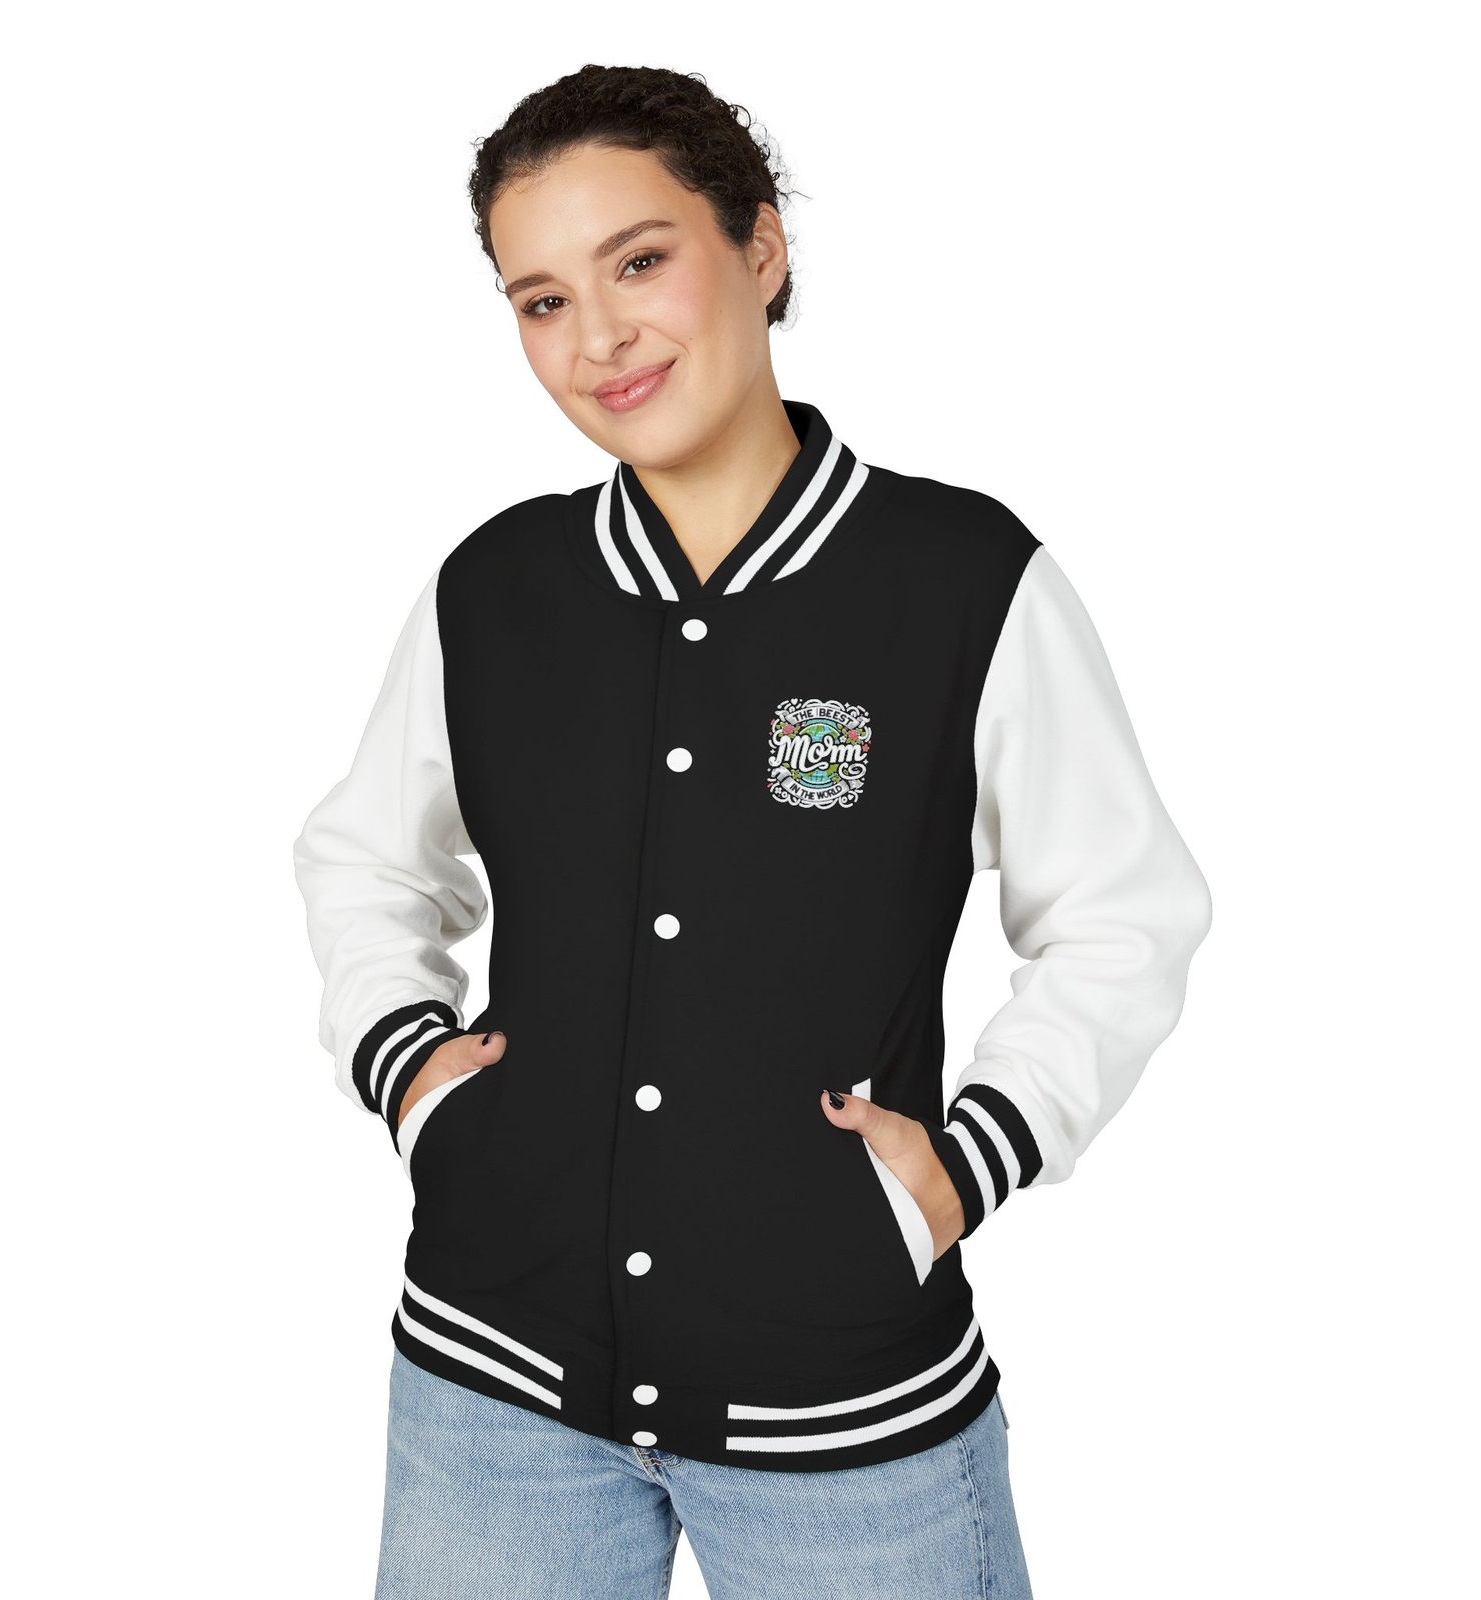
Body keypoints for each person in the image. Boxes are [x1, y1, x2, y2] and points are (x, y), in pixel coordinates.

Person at [294, 63, 1213, 1600]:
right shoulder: (495, 592)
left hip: (842, 1411)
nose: (598, 338)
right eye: (541, 301)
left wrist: (965, 1165)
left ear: (762, 249)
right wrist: (409, 1068)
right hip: (489, 1390)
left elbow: (1124, 914)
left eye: (640, 262)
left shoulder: (960, 579)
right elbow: (365, 860)